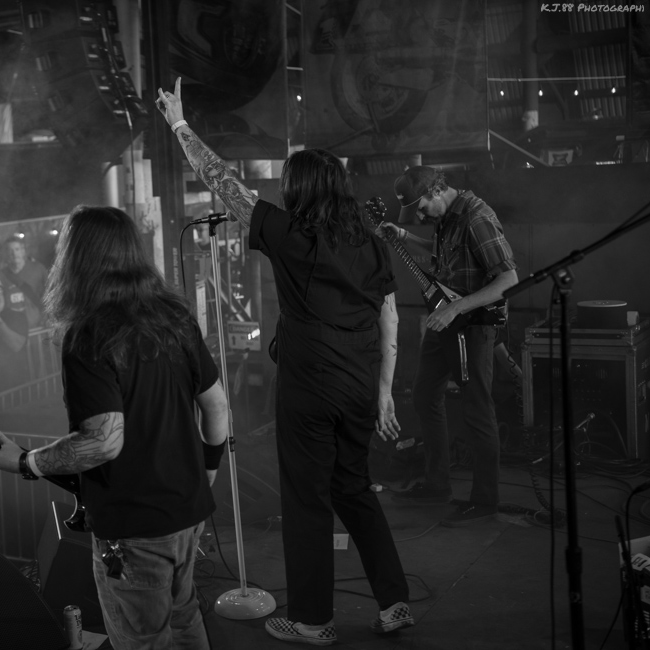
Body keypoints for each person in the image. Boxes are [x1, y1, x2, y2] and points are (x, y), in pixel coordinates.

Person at [157, 77, 412, 646]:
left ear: (300, 190)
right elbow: (391, 319)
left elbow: (223, 183)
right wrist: (386, 390)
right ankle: (396, 602)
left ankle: (313, 622)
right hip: (359, 383)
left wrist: (179, 125)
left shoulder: (291, 233)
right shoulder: (371, 242)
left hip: (309, 385)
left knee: (306, 500)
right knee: (355, 489)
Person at [0, 206, 229, 650]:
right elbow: (216, 404)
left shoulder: (89, 335)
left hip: (135, 526)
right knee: (185, 617)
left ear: (76, 259)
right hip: (189, 509)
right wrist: (207, 469)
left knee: (142, 639)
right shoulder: (173, 317)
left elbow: (104, 441)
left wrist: (24, 461)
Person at [375, 165, 518, 526]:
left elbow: (508, 277)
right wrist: (404, 235)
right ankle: (437, 484)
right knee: (424, 394)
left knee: (477, 409)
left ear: (437, 189)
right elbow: (442, 253)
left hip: (474, 324)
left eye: (421, 207)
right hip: (448, 320)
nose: (420, 215)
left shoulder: (476, 217)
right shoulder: (448, 217)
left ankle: (485, 500)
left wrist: (456, 306)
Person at [0, 237, 49, 328]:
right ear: (5, 254)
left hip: (37, 324)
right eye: (10, 250)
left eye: (17, 249)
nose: (14, 254)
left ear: (23, 251)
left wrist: (48, 317)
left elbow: (49, 293)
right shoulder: (1, 275)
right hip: (14, 327)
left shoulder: (38, 269)